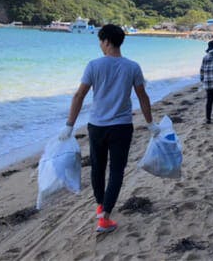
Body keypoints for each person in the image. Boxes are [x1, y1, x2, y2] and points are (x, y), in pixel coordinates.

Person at [60, 24, 154, 234]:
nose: (100, 46)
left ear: (107, 42)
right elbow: (143, 97)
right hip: (121, 127)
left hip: (97, 127)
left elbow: (79, 95)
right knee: (117, 171)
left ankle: (101, 207)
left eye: (101, 42)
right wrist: (150, 124)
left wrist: (69, 126)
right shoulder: (132, 67)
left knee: (98, 168)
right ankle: (105, 216)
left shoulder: (93, 65)